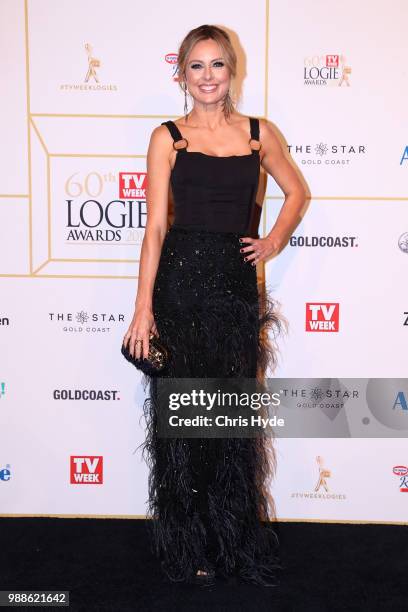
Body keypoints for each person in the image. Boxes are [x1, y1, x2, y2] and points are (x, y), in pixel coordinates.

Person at [123, 24, 306, 586]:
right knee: (182, 423)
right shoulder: (167, 138)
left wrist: (271, 241)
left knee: (227, 420)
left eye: (217, 65)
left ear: (233, 71)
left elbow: (296, 192)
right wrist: (143, 308)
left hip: (233, 291)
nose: (207, 76)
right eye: (196, 66)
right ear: (181, 73)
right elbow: (155, 228)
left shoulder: (258, 134)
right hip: (179, 288)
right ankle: (188, 542)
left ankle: (231, 539)